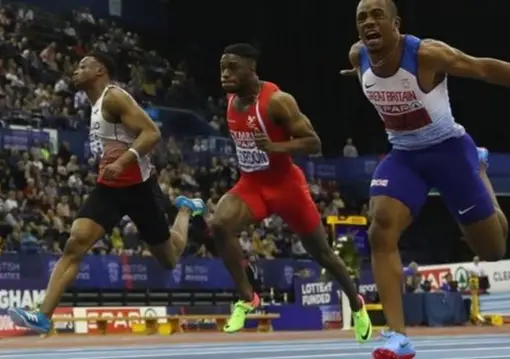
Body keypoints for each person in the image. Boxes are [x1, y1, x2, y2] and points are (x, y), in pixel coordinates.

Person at [341, 1, 510, 357]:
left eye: (378, 14)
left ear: (397, 23)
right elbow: (374, 73)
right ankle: (397, 337)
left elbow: (484, 69)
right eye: (362, 17)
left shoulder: (427, 54)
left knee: (492, 251)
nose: (369, 22)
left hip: (450, 152)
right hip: (404, 157)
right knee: (380, 228)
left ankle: (481, 170)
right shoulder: (357, 56)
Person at [8, 52, 205, 334]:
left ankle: (185, 209)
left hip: (139, 189)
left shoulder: (114, 97)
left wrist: (122, 162)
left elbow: (152, 133)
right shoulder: (94, 105)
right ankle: (43, 316)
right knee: (75, 242)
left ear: (100, 70)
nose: (75, 72)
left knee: (169, 258)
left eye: (82, 66)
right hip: (110, 189)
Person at [210, 43, 372, 342]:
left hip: (286, 186)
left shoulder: (277, 102)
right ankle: (248, 298)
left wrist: (276, 147)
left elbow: (314, 143)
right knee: (220, 224)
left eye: (232, 67)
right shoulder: (231, 101)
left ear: (251, 69)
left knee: (323, 254)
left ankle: (356, 303)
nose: (225, 74)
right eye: (222, 67)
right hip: (252, 185)